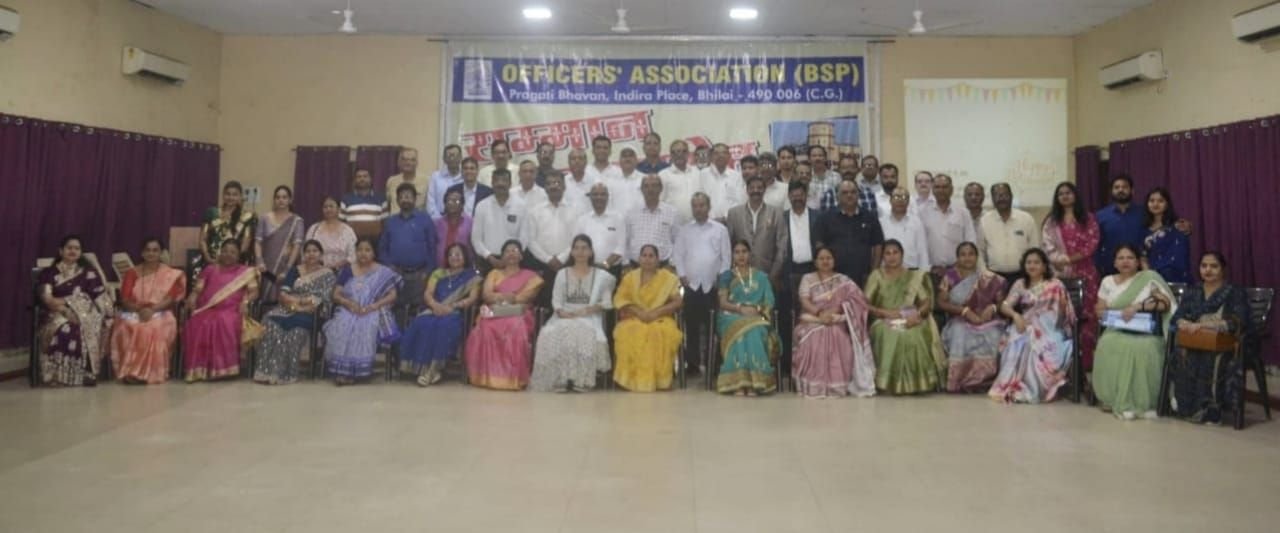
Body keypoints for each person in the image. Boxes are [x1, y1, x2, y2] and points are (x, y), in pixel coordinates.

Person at [1092, 244, 1177, 420]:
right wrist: (1110, 314)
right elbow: (1100, 309)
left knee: (1140, 348)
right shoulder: (1107, 281)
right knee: (1108, 342)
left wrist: (1137, 307)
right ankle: (1113, 398)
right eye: (1121, 258)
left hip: (1145, 332)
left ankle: (1141, 402)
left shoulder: (1148, 278)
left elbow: (1164, 304)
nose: (1125, 262)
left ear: (1138, 262)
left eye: (1130, 258)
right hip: (1115, 329)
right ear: (1114, 263)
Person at [1168, 252, 1251, 424]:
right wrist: (1185, 323)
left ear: (1223, 269)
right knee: (1181, 354)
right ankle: (1186, 407)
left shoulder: (1233, 292)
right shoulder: (1193, 291)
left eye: (1214, 266)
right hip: (1194, 339)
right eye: (1204, 266)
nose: (1208, 270)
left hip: (1225, 343)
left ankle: (1211, 409)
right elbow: (1176, 318)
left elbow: (1238, 322)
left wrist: (1206, 325)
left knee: (1209, 358)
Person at [530, 235, 617, 392]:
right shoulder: (562, 273)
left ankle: (581, 380)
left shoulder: (602, 276)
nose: (580, 252)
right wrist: (562, 312)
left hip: (589, 316)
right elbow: (556, 301)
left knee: (581, 331)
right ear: (571, 252)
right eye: (576, 248)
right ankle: (561, 379)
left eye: (584, 248)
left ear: (591, 252)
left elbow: (607, 303)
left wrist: (585, 311)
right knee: (552, 331)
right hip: (564, 315)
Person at [989, 248, 1075, 403]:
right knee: (1018, 340)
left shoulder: (1055, 285)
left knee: (1036, 341)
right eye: (1028, 262)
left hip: (1050, 328)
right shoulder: (1020, 284)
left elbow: (1064, 313)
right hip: (1024, 323)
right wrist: (1016, 316)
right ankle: (1013, 385)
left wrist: (1044, 322)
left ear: (1044, 266)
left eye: (1036, 262)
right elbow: (1005, 306)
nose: (1032, 266)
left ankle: (1034, 389)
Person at [791, 247, 875, 398]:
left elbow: (858, 300)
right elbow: (804, 301)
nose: (825, 261)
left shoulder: (843, 280)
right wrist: (820, 313)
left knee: (837, 334)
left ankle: (838, 386)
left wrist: (835, 311)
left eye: (829, 258)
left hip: (837, 320)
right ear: (815, 262)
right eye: (821, 258)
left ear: (834, 261)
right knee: (815, 337)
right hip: (812, 319)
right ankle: (815, 385)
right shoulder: (807, 278)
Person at [865, 240, 943, 395]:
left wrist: (916, 315)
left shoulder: (914, 276)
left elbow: (926, 303)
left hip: (910, 319)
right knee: (892, 333)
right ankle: (887, 383)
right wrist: (885, 313)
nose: (892, 256)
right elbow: (864, 304)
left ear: (902, 255)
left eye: (895, 252)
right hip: (883, 320)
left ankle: (919, 384)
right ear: (883, 257)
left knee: (914, 334)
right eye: (887, 253)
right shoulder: (876, 276)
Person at [253, 240, 336, 385]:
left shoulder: (328, 274)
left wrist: (298, 302)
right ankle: (266, 372)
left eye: (315, 251)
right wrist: (299, 303)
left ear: (321, 254)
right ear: (303, 255)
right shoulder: (295, 270)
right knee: (270, 322)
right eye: (308, 251)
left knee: (294, 332)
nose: (311, 254)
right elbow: (283, 293)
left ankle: (285, 374)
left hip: (312, 313)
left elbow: (321, 299)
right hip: (289, 308)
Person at [465, 240, 544, 390]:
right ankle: (487, 376)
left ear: (521, 256)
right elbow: (486, 295)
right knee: (485, 328)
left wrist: (503, 297)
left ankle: (512, 378)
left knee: (515, 327)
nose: (511, 253)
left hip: (519, 313)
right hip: (494, 312)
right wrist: (507, 297)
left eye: (515, 250)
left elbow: (526, 297)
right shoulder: (494, 274)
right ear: (501, 256)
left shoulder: (531, 276)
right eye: (507, 251)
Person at [400, 242, 481, 386]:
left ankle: (433, 371)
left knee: (444, 326)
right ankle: (421, 368)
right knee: (422, 323)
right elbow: (428, 293)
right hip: (434, 309)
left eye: (458, 254)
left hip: (455, 313)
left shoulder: (472, 276)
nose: (454, 257)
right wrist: (435, 306)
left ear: (465, 257)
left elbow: (472, 299)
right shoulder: (438, 273)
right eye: (451, 254)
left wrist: (452, 306)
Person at [323, 238, 402, 385]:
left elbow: (392, 295)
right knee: (343, 325)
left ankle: (356, 371)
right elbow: (336, 294)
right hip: (349, 309)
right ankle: (343, 372)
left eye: (367, 250)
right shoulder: (348, 270)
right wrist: (348, 303)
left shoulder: (382, 272)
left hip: (373, 310)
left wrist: (374, 306)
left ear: (374, 253)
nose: (363, 253)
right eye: (359, 250)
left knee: (365, 326)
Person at [39, 235, 113, 386]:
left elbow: (99, 297)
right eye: (69, 248)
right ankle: (59, 376)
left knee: (93, 324)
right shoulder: (49, 273)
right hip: (56, 312)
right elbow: (48, 299)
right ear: (61, 251)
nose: (73, 251)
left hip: (87, 314)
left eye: (77, 248)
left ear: (81, 252)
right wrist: (65, 309)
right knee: (67, 329)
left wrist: (106, 313)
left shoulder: (89, 272)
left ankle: (86, 373)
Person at [1042, 181, 1101, 368]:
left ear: (1075, 195)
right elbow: (1047, 246)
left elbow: (1092, 242)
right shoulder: (1051, 222)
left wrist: (1070, 258)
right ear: (1057, 198)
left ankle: (1086, 362)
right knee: (1063, 317)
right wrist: (1061, 261)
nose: (1065, 196)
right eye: (1061, 193)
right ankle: (1064, 363)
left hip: (1086, 274)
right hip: (1061, 275)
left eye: (1068, 192)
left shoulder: (1087, 218)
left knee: (1087, 316)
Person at [111, 238, 186, 384]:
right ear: (142, 253)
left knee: (153, 327)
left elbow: (170, 298)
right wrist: (140, 309)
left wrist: (152, 310)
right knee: (129, 325)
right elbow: (125, 299)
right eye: (148, 250)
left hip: (161, 311)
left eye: (155, 250)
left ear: (161, 253)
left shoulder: (169, 274)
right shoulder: (132, 273)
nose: (151, 253)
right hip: (134, 311)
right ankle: (131, 372)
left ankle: (148, 373)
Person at [613, 244, 685, 391]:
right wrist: (639, 313)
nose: (647, 259)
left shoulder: (668, 278)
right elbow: (620, 299)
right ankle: (632, 380)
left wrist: (656, 313)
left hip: (660, 318)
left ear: (658, 260)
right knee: (629, 331)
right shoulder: (629, 278)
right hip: (634, 317)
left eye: (651, 256)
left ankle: (658, 381)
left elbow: (678, 302)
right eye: (644, 255)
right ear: (639, 259)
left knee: (658, 332)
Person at [184, 240, 258, 382]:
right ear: (220, 252)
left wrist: (246, 301)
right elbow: (197, 289)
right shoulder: (210, 269)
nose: (228, 254)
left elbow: (254, 292)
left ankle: (224, 369)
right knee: (196, 323)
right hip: (207, 308)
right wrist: (192, 297)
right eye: (225, 251)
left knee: (223, 322)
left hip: (232, 310)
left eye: (232, 252)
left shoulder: (246, 272)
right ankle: (199, 371)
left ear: (238, 255)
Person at [936, 242, 1006, 392]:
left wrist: (993, 308)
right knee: (959, 333)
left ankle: (987, 382)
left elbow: (1002, 302)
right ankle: (958, 380)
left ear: (977, 256)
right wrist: (964, 311)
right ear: (957, 258)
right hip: (960, 319)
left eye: (971, 254)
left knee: (995, 334)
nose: (967, 258)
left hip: (987, 320)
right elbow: (941, 302)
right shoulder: (950, 277)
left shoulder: (989, 277)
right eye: (963, 254)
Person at [674, 193, 732, 375]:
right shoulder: (684, 230)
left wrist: (721, 280)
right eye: (695, 206)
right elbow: (678, 255)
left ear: (709, 207)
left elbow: (726, 258)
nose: (698, 209)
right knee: (690, 326)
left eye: (702, 205)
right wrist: (682, 276)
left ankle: (712, 364)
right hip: (691, 286)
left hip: (712, 286)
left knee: (713, 327)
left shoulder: (720, 230)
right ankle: (692, 365)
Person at [715, 240, 781, 395]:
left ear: (750, 254)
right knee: (743, 330)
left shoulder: (761, 277)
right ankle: (738, 382)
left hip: (756, 316)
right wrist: (740, 309)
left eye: (744, 251)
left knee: (754, 330)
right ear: (732, 255)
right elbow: (723, 303)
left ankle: (755, 382)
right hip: (731, 316)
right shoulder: (726, 276)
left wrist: (757, 309)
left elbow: (769, 302)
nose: (741, 255)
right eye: (737, 252)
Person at [523, 173, 581, 305]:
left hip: (568, 264)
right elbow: (531, 241)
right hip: (542, 266)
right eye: (549, 183)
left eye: (557, 183)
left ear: (564, 186)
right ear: (545, 187)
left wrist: (561, 258)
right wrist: (548, 259)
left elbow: (576, 239)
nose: (553, 186)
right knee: (544, 303)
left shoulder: (575, 210)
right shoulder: (535, 211)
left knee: (568, 303)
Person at [379, 183, 437, 311]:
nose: (405, 199)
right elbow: (382, 248)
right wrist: (389, 266)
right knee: (396, 309)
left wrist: (428, 271)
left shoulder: (425, 219)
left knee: (417, 310)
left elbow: (432, 247)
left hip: (419, 274)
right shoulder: (390, 222)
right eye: (401, 197)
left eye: (408, 196)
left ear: (415, 199)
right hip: (396, 274)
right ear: (397, 200)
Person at [813, 180, 884, 285]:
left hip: (863, 277)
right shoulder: (825, 218)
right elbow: (819, 244)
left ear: (858, 194)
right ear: (837, 196)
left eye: (853, 192)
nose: (849, 195)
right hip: (834, 277)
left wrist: (874, 272)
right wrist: (825, 271)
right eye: (844, 192)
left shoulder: (870, 217)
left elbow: (878, 245)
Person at [725, 176, 788, 286]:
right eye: (752, 187)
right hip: (740, 275)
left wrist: (773, 275)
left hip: (768, 274)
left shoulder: (776, 213)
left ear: (764, 190)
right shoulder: (734, 213)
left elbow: (782, 247)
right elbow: (728, 246)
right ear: (747, 190)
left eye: (759, 187)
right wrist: (733, 272)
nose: (756, 190)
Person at [981, 183, 1040, 282]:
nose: (1001, 198)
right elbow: (980, 250)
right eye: (997, 195)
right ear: (993, 199)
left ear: (1011, 196)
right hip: (994, 276)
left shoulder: (1026, 219)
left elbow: (1034, 248)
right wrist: (985, 272)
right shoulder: (984, 221)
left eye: (1005, 194)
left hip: (1022, 275)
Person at [255, 185, 304, 303]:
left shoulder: (297, 221)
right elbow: (257, 242)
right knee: (263, 300)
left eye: (284, 197)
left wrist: (287, 269)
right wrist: (259, 261)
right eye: (278, 197)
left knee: (283, 299)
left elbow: (296, 246)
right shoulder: (264, 218)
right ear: (274, 200)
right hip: (265, 267)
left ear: (290, 200)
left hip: (285, 265)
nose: (281, 200)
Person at [470, 168, 526, 272]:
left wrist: (510, 257)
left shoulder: (521, 206)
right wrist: (490, 257)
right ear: (492, 183)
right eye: (497, 180)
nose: (500, 184)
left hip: (514, 261)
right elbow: (476, 239)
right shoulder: (482, 206)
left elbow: (524, 237)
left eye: (504, 180)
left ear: (510, 183)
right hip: (487, 261)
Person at [921, 174, 978, 272]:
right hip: (932, 270)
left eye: (945, 187)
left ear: (951, 189)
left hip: (959, 270)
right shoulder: (923, 212)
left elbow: (970, 240)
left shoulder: (963, 213)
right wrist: (929, 267)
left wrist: (961, 265)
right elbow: (921, 244)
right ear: (932, 190)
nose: (941, 190)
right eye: (937, 187)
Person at [200, 181, 256, 269]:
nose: (231, 197)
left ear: (240, 196)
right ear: (223, 195)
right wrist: (208, 258)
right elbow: (203, 240)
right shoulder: (211, 213)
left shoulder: (247, 217)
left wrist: (229, 258)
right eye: (228, 194)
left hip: (236, 263)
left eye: (235, 195)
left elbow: (245, 243)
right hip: (212, 261)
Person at [625, 175, 679, 265]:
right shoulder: (631, 213)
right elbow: (625, 241)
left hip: (663, 267)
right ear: (641, 189)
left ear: (661, 188)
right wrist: (626, 264)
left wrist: (672, 264)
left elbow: (678, 241)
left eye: (654, 185)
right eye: (646, 186)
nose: (650, 189)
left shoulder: (672, 212)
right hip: (635, 266)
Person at [574, 183, 627, 274]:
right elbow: (577, 246)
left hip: (612, 269)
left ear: (608, 197)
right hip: (587, 269)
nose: (599, 197)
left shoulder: (618, 218)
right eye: (595, 194)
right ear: (590, 197)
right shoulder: (582, 220)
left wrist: (605, 264)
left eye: (603, 194)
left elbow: (621, 247)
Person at [1143, 188, 1191, 284]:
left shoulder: (1178, 226)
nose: (1155, 204)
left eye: (1160, 201)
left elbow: (1180, 254)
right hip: (1154, 279)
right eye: (1152, 201)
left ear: (1167, 204)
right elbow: (1142, 256)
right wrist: (1150, 278)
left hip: (1177, 278)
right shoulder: (1143, 229)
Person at [878, 187, 930, 270]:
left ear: (908, 201)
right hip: (887, 271)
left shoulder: (916, 222)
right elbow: (878, 250)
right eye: (896, 197)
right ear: (890, 200)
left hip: (911, 271)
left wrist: (924, 272)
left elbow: (922, 251)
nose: (900, 200)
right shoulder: (881, 222)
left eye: (904, 197)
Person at [305, 197, 358, 270]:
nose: (328, 209)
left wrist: (337, 266)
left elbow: (353, 256)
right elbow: (306, 252)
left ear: (338, 209)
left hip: (342, 271)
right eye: (325, 207)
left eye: (331, 206)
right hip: (317, 271)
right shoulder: (314, 229)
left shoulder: (348, 230)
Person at [659, 140, 704, 222]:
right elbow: (660, 201)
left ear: (688, 154)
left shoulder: (697, 172)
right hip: (672, 224)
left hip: (696, 223)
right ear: (671, 155)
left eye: (683, 151)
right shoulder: (663, 175)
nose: (679, 155)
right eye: (676, 152)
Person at [340, 168, 388, 240]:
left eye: (365, 176)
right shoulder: (346, 199)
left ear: (371, 179)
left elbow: (385, 223)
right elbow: (341, 223)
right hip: (352, 241)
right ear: (354, 180)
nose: (362, 179)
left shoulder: (381, 198)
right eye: (359, 177)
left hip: (376, 241)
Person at [702, 144, 744, 217]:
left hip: (730, 220)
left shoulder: (736, 176)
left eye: (724, 153)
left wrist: (726, 217)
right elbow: (700, 200)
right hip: (708, 220)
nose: (720, 156)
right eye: (716, 153)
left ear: (729, 156)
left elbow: (739, 200)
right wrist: (711, 218)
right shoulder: (703, 175)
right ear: (711, 156)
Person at [434, 189, 473, 265]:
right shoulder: (437, 224)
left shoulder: (470, 223)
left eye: (456, 201)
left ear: (462, 205)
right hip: (440, 268)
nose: (452, 204)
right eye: (449, 201)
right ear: (445, 204)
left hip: (463, 268)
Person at [603, 147, 644, 216]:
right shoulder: (610, 182)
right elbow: (608, 205)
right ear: (619, 161)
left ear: (636, 160)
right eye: (624, 156)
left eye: (631, 156)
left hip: (641, 220)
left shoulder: (644, 179)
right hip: (617, 221)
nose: (627, 159)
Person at [428, 144, 465, 216]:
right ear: (444, 159)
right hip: (439, 218)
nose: (452, 158)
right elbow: (430, 203)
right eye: (449, 156)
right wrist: (440, 220)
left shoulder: (465, 177)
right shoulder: (435, 177)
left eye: (455, 155)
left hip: (462, 219)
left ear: (460, 158)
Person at [963, 182, 987, 251]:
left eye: (977, 194)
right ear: (964, 197)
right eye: (969, 194)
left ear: (983, 197)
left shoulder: (989, 218)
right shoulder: (959, 217)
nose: (973, 197)